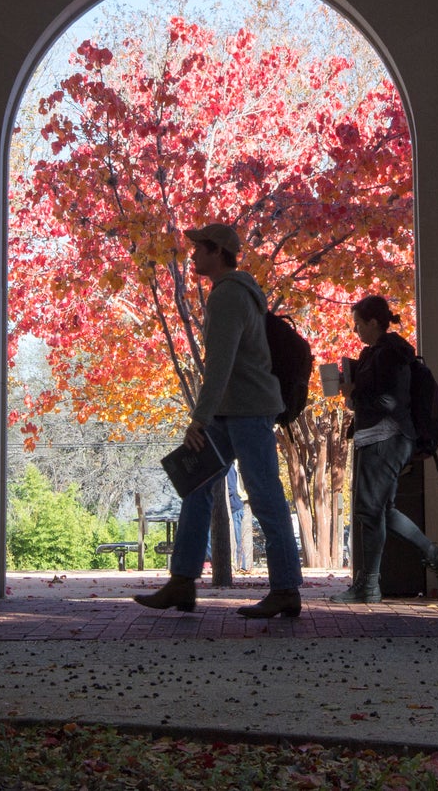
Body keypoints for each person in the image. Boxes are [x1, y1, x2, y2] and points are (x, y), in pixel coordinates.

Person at [134, 222, 302, 619]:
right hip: (232, 411)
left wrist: (199, 419)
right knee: (196, 486)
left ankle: (286, 589)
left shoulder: (228, 296)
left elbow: (220, 365)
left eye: (199, 249)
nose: (192, 254)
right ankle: (182, 583)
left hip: (246, 411)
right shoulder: (236, 293)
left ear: (217, 252)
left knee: (264, 495)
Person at [328, 296, 438, 604]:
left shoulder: (389, 354)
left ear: (374, 323)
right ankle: (436, 555)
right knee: (381, 511)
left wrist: (355, 394)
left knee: (369, 511)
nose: (356, 330)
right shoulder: (382, 353)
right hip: (384, 438)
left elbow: (389, 402)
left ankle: (369, 585)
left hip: (385, 438)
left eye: (359, 324)